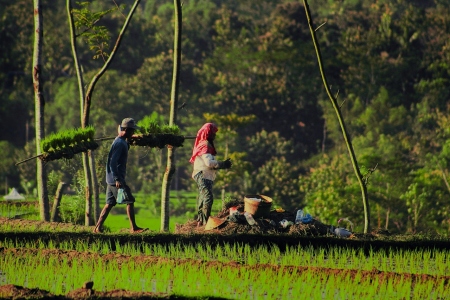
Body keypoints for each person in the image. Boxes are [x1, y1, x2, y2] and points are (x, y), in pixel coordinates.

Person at [93, 117, 147, 234]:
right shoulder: (119, 143)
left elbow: (124, 142)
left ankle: (97, 228)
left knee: (109, 204)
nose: (133, 133)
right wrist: (117, 179)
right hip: (115, 179)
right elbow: (113, 162)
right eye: (132, 130)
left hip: (110, 178)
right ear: (126, 130)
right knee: (130, 201)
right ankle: (133, 228)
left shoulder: (121, 141)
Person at [190, 123, 232, 227]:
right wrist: (222, 164)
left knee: (203, 197)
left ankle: (200, 221)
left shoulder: (203, 144)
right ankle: (205, 223)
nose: (215, 135)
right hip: (203, 174)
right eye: (213, 133)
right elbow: (208, 163)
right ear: (208, 133)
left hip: (203, 174)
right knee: (208, 197)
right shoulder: (205, 144)